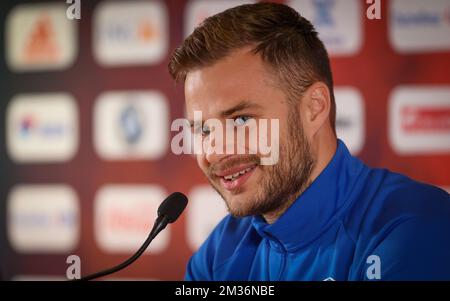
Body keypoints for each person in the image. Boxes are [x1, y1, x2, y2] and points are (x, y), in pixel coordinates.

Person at [168, 2, 450, 281]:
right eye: (203, 130)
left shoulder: (415, 227)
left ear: (314, 108)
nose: (216, 152)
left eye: (241, 120)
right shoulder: (220, 250)